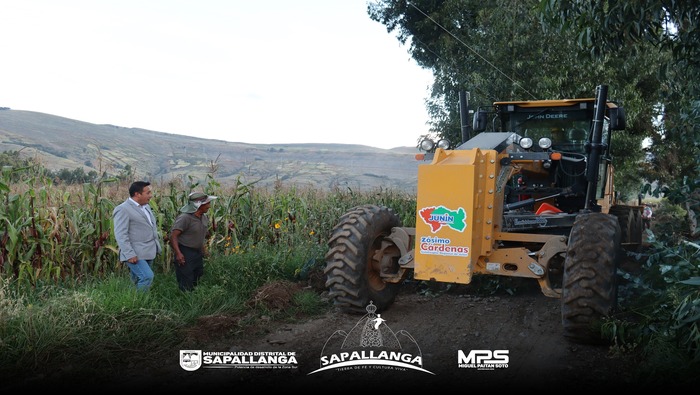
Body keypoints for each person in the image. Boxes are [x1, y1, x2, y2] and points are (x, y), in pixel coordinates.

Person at [113, 181, 162, 291]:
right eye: (148, 193)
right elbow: (121, 234)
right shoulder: (123, 209)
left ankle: (132, 302)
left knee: (136, 279)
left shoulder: (146, 207)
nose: (151, 195)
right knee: (147, 277)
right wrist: (129, 254)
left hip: (149, 251)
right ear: (137, 194)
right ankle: (141, 304)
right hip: (135, 253)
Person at [170, 192, 217, 291]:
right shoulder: (185, 218)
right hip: (185, 251)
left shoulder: (203, 217)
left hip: (197, 252)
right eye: (207, 203)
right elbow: (173, 236)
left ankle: (193, 297)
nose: (209, 206)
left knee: (198, 274)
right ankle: (185, 300)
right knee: (186, 278)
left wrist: (204, 250)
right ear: (199, 204)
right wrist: (178, 254)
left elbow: (202, 234)